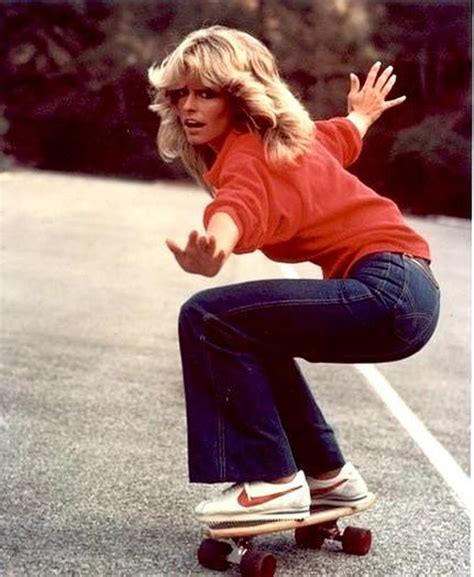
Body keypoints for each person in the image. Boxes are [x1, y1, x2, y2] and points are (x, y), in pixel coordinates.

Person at [148, 26, 440, 524]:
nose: (188, 107)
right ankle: (330, 477)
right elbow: (346, 135)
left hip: (383, 286)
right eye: (180, 94)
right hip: (413, 294)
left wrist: (215, 248)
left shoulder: (250, 155)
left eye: (206, 93)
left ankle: (272, 481)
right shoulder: (298, 139)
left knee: (206, 317)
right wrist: (363, 113)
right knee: (255, 334)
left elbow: (237, 207)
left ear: (239, 97)